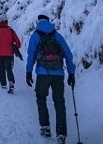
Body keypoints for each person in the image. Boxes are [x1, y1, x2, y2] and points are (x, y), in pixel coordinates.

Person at [26, 14, 76, 144]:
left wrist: (28, 72)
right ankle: (61, 134)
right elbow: (69, 56)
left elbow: (31, 55)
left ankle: (45, 127)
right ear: (49, 22)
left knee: (41, 97)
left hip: (43, 74)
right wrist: (71, 73)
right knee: (59, 102)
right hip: (58, 74)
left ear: (38, 22)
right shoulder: (57, 36)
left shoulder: (35, 36)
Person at [0, 14, 21, 93]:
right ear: (6, 21)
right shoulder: (11, 30)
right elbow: (18, 43)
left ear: (0, 21)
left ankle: (3, 84)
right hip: (9, 54)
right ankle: (11, 82)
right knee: (8, 69)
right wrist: (15, 46)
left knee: (1, 69)